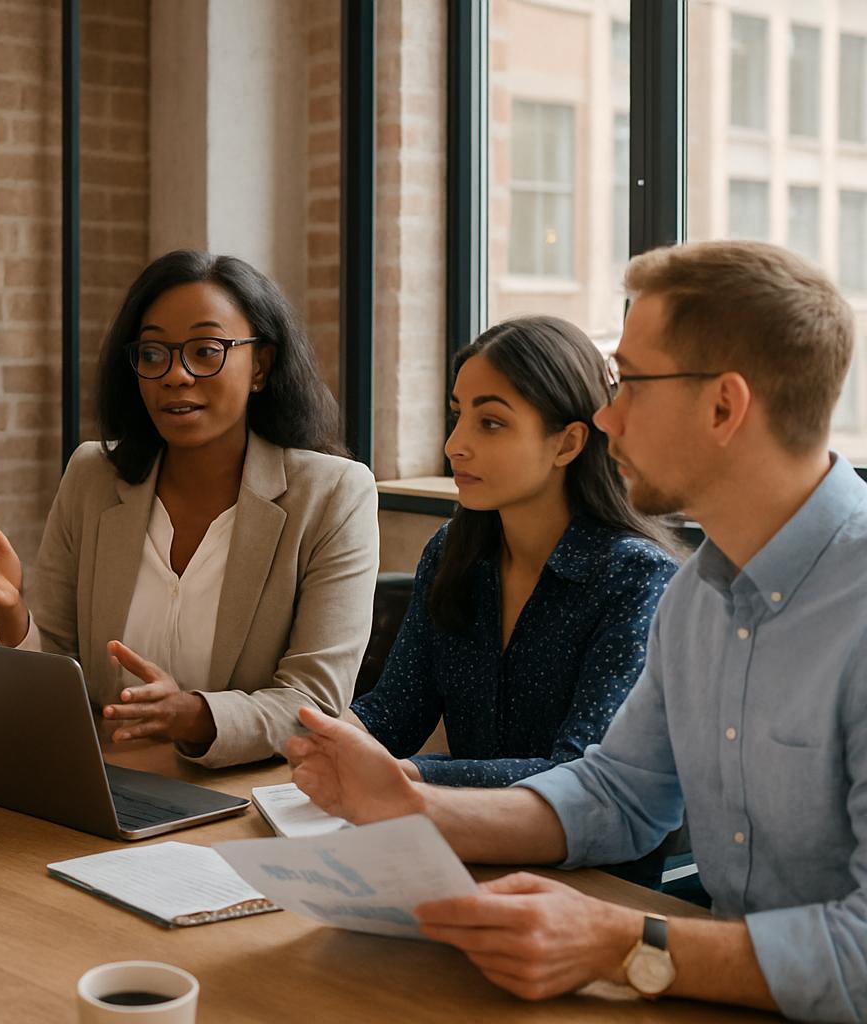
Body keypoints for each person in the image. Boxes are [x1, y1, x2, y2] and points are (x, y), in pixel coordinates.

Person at [287, 240, 865, 1019]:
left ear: (724, 406)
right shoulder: (700, 595)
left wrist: (622, 942)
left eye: (629, 382)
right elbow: (617, 792)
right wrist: (413, 809)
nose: (604, 415)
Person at [0, 250, 378, 767]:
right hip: (103, 781)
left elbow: (313, 701)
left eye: (205, 350)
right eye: (153, 354)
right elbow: (57, 669)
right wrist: (11, 613)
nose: (175, 375)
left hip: (243, 796)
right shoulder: (92, 476)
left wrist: (194, 716)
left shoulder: (334, 495)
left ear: (261, 365)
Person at [349, 316, 679, 787]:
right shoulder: (451, 552)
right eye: (456, 416)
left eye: (490, 423)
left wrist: (412, 776)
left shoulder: (636, 577)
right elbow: (392, 715)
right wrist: (318, 738)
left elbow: (579, 775)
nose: (454, 445)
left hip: (579, 859)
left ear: (568, 443)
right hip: (458, 839)